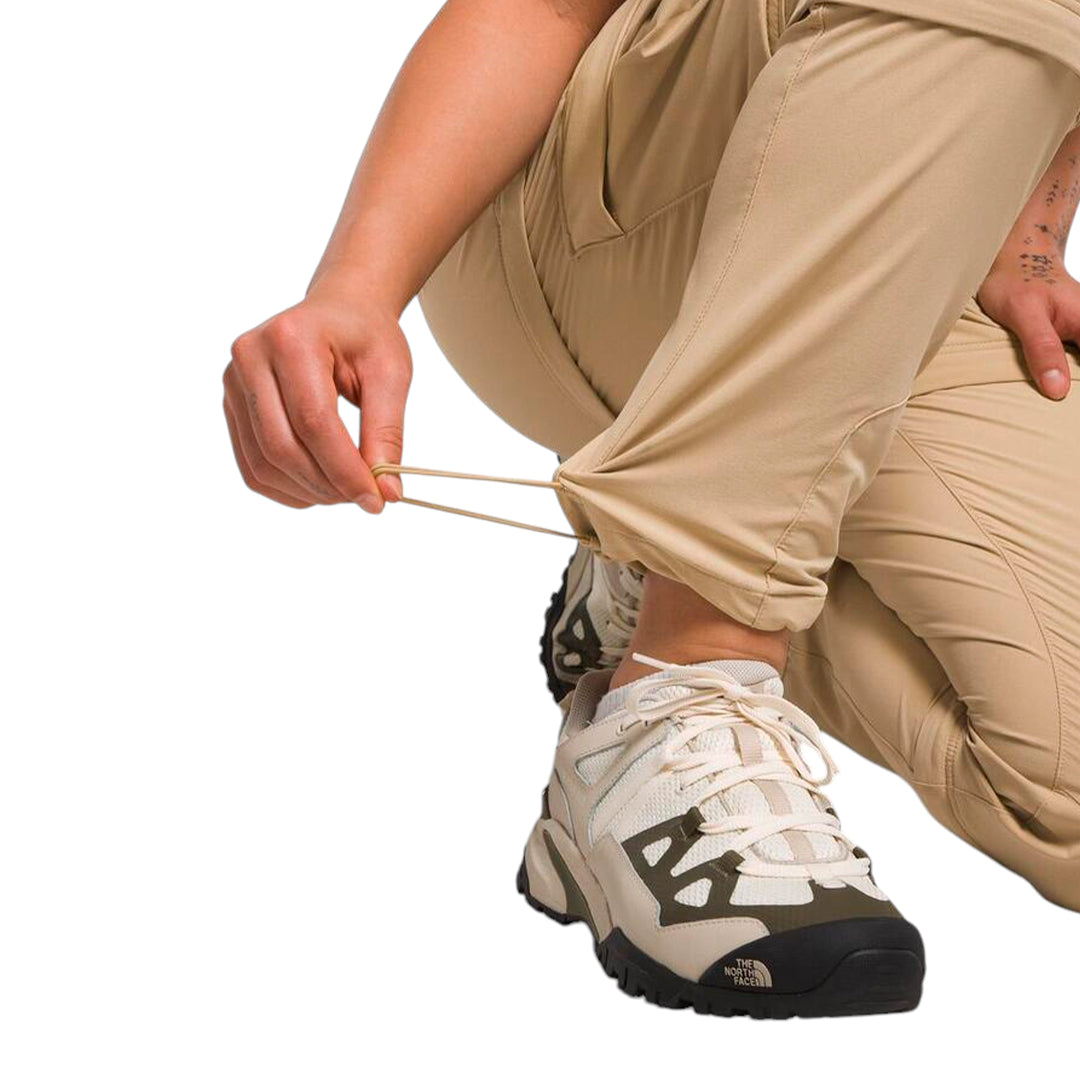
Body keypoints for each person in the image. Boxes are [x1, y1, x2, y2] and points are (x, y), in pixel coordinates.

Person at [223, 0, 1080, 1017]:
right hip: (594, 219)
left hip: (906, 240)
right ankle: (680, 680)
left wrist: (1027, 235)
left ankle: (652, 547)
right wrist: (357, 288)